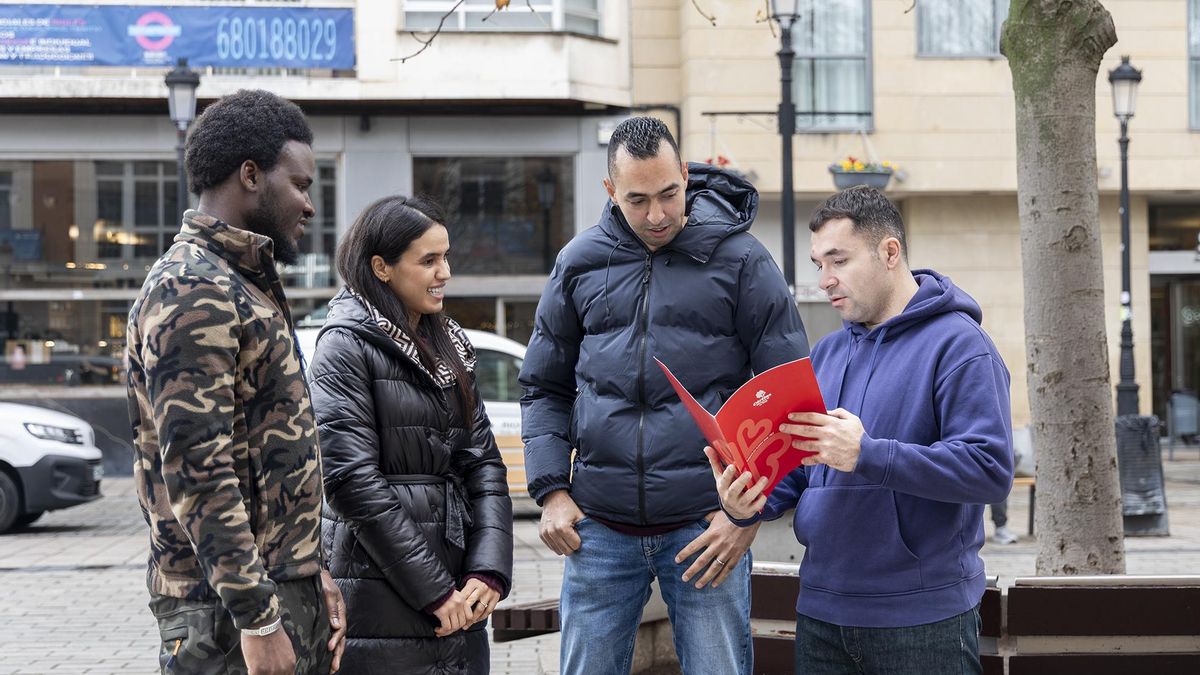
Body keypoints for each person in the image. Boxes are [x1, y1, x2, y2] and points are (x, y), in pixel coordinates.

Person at [519, 116, 809, 674]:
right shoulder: (578, 262)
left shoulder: (743, 260)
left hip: (707, 524)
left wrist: (747, 517)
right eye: (637, 200)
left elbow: (787, 395)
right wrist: (553, 490)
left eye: (669, 194)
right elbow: (543, 386)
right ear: (611, 191)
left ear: (685, 175)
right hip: (598, 528)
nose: (657, 215)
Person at [712, 186, 1014, 674]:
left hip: (922, 619)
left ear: (889, 252)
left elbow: (989, 470)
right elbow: (797, 468)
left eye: (839, 261)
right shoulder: (825, 355)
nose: (825, 281)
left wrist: (867, 454)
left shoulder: (961, 347)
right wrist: (747, 500)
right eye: (818, 265)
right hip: (820, 612)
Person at [127, 89, 346, 675]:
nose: (309, 205)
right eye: (300, 185)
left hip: (271, 590)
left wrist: (308, 568)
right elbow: (199, 471)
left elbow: (269, 455)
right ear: (251, 175)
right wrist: (259, 618)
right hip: (224, 616)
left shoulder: (239, 281)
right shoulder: (192, 288)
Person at [308, 195, 514, 674]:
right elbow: (350, 480)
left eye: (446, 257)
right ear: (381, 267)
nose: (445, 272)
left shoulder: (450, 344)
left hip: (460, 593)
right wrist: (434, 592)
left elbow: (483, 463)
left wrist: (487, 570)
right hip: (381, 593)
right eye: (428, 261)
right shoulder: (344, 346)